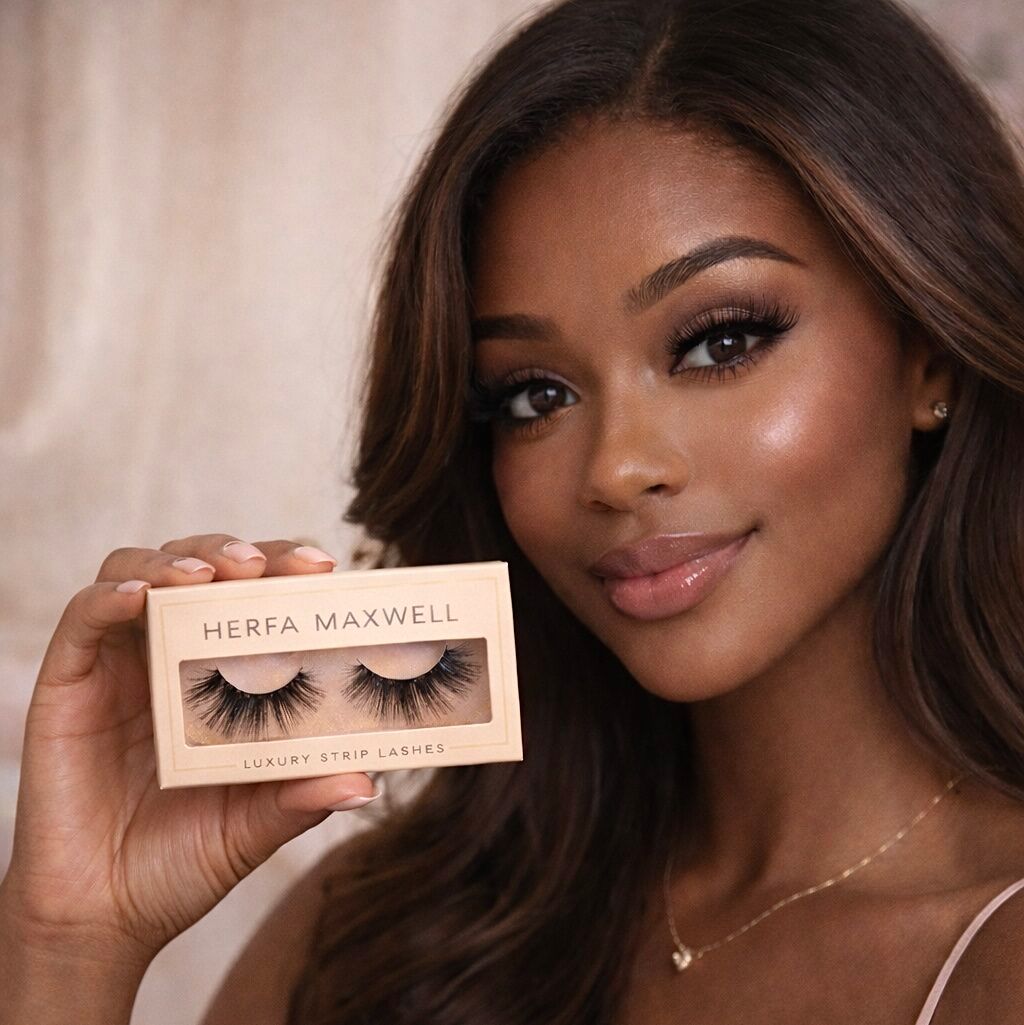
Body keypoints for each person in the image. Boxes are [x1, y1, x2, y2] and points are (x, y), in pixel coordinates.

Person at [4, 0, 1024, 1021]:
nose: (617, 468)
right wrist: (69, 940)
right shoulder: (391, 928)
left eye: (719, 341)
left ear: (924, 348)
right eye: (533, 394)